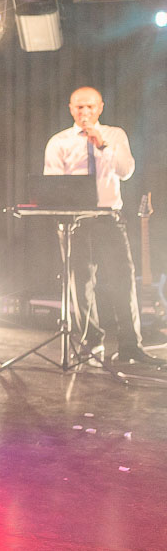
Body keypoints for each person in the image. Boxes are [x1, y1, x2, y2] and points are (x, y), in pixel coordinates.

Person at [43, 86, 163, 365]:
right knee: (81, 285)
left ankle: (130, 346)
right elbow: (51, 185)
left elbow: (126, 171)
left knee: (122, 282)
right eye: (79, 107)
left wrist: (102, 145)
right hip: (75, 222)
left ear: (101, 107)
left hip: (108, 218)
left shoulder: (115, 135)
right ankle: (91, 341)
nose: (85, 112)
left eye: (90, 107)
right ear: (70, 108)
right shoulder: (59, 141)